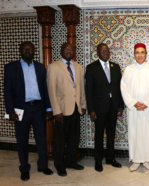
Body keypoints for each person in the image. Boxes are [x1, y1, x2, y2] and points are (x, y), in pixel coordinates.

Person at [4, 41, 53, 181]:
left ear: (34, 51)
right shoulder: (11, 67)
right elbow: (7, 91)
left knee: (41, 139)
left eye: (30, 49)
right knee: (22, 140)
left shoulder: (40, 67)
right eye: (25, 48)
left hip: (38, 108)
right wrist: (10, 111)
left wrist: (48, 108)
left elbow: (45, 88)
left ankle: (43, 165)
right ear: (20, 50)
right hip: (20, 109)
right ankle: (24, 168)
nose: (27, 50)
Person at [47, 42, 86, 177]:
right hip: (62, 110)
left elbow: (81, 88)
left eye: (71, 49)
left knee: (74, 138)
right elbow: (51, 91)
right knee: (60, 140)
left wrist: (83, 105)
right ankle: (60, 165)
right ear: (61, 50)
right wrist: (56, 110)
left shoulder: (79, 67)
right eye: (66, 49)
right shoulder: (53, 67)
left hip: (76, 108)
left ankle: (71, 161)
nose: (69, 51)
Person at [121, 43, 149, 172]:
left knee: (147, 134)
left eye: (142, 52)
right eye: (137, 52)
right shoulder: (128, 69)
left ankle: (147, 160)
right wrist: (133, 102)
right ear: (134, 54)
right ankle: (136, 160)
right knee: (134, 133)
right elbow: (124, 88)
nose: (140, 55)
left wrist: (147, 103)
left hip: (147, 108)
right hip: (134, 109)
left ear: (146, 54)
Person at [85, 43, 124, 172]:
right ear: (97, 53)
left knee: (111, 134)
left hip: (113, 107)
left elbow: (120, 88)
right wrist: (91, 110)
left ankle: (110, 158)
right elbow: (88, 91)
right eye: (102, 51)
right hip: (99, 109)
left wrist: (120, 106)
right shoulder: (91, 68)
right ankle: (98, 160)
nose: (105, 53)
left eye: (107, 51)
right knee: (99, 135)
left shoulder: (115, 67)